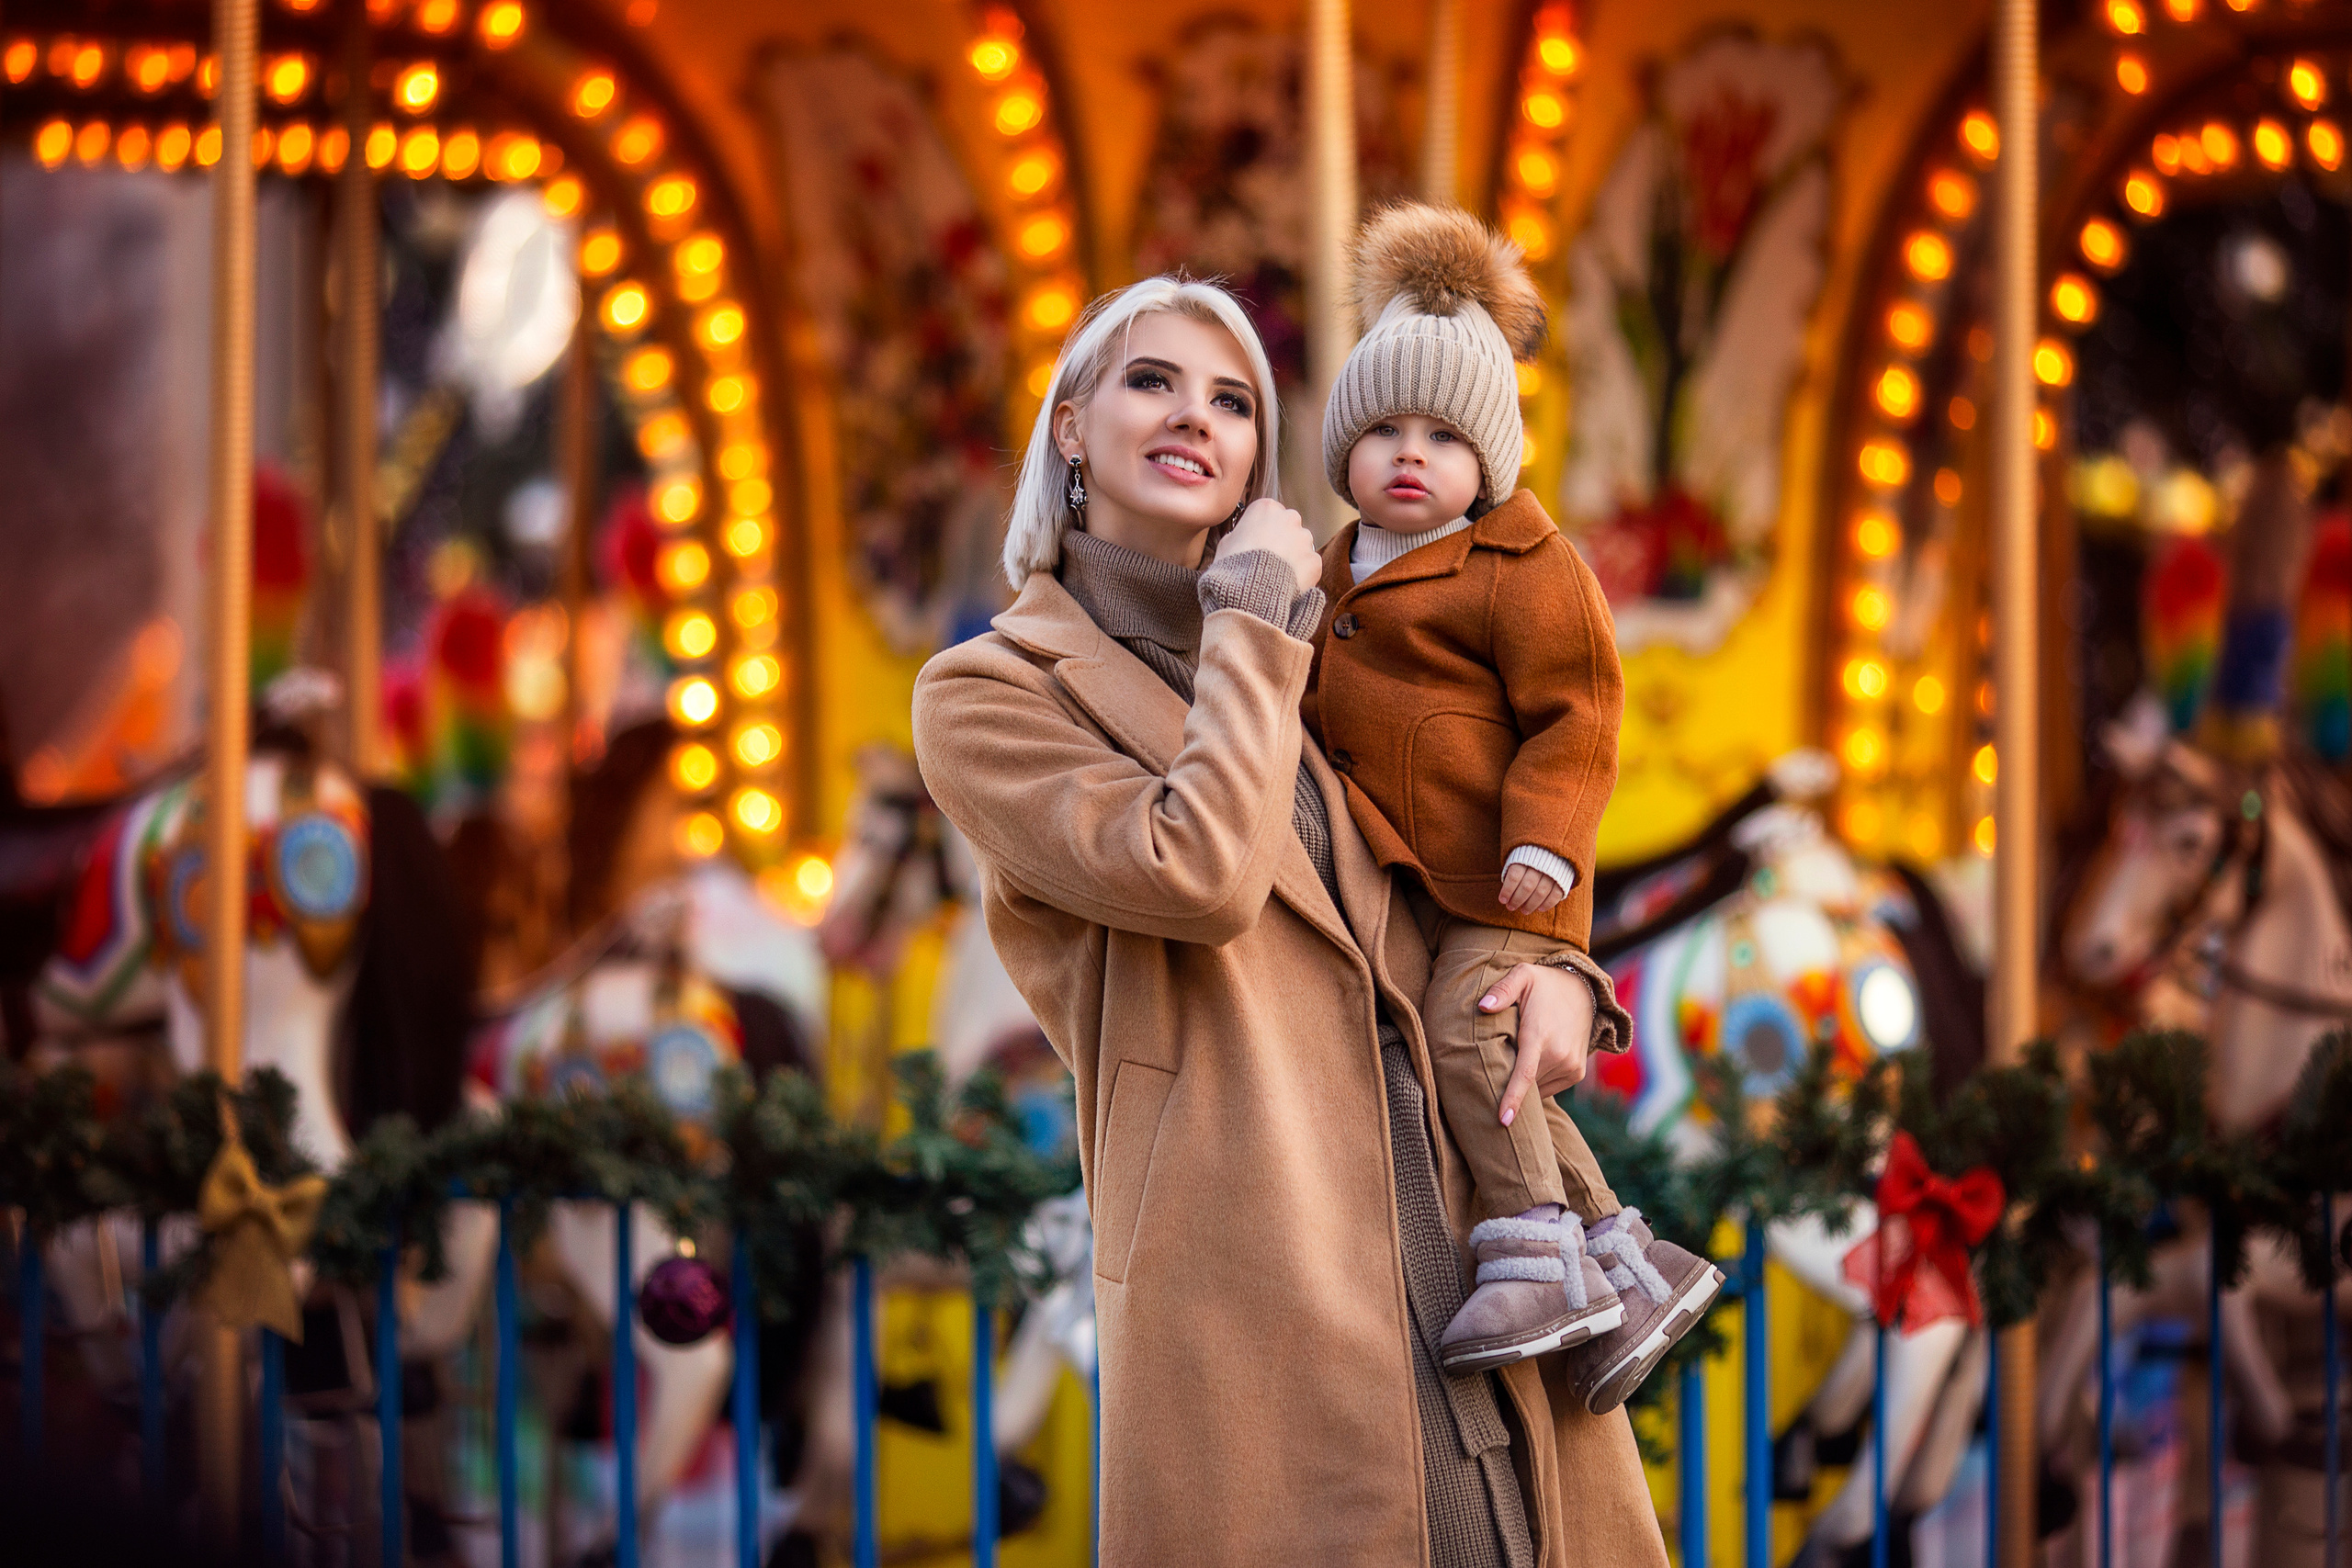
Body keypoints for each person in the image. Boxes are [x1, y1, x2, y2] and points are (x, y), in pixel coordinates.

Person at [912, 273, 1669, 1563]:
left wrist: (1554, 968)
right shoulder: (991, 693)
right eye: (1151, 382)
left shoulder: (1320, 663)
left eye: (1233, 401)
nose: (1195, 418)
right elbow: (1194, 873)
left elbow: (1444, 857)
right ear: (1071, 429)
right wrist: (1256, 625)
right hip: (1254, 1257)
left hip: (1446, 1221)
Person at [1308, 202, 1723, 1410]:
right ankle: (1629, 1266)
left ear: (1490, 456)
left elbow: (1579, 712)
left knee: (1469, 1033)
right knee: (1481, 1059)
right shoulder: (1338, 567)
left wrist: (1546, 838)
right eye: (1382, 426)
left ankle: (1536, 1256)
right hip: (1422, 879)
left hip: (1507, 874)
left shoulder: (1521, 564)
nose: (1408, 452)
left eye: (1442, 433)